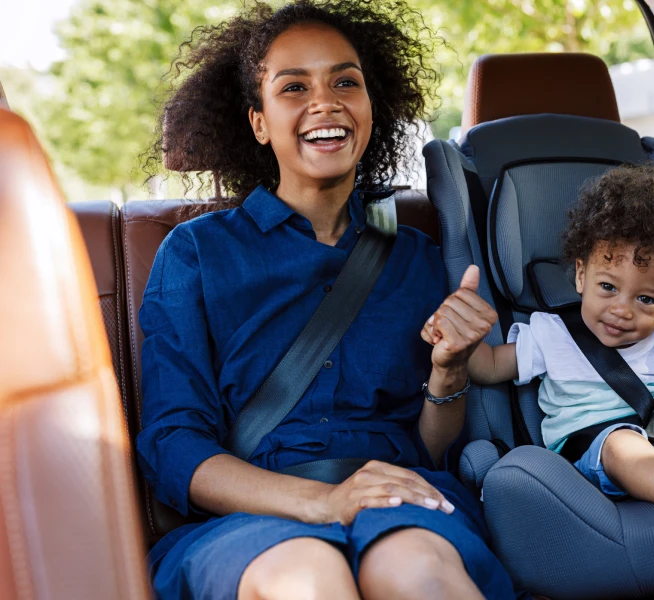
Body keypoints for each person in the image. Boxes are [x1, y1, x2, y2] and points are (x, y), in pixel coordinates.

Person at [137, 2, 516, 598]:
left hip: (398, 499)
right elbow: (173, 445)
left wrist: (449, 371)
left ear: (370, 108)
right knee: (307, 578)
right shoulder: (196, 253)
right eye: (294, 87)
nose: (326, 102)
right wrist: (323, 501)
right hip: (253, 517)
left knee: (418, 572)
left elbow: (429, 449)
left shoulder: (417, 255)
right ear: (259, 123)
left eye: (345, 82)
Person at [442, 165, 654, 535]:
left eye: (646, 299)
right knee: (622, 445)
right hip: (595, 446)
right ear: (581, 275)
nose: (622, 310)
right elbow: (489, 366)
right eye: (608, 287)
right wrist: (461, 341)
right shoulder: (553, 335)